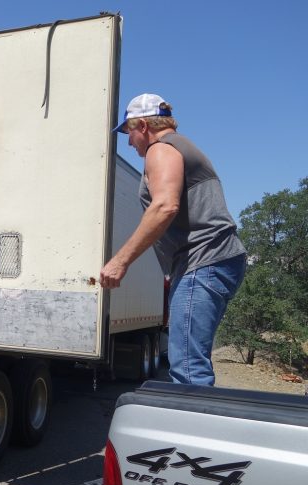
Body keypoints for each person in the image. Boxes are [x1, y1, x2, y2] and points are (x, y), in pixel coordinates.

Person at [100, 94, 246, 386]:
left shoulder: (162, 149)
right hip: (212, 261)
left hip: (203, 262)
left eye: (129, 132)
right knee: (191, 363)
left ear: (143, 125)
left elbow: (165, 206)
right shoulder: (181, 147)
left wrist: (120, 261)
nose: (129, 143)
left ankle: (190, 429)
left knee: (189, 370)